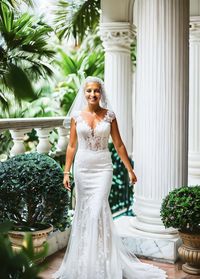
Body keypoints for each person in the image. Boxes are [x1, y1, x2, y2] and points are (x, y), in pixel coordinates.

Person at [53, 76, 167, 279]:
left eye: (96, 91)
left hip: (103, 168)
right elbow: (71, 146)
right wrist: (66, 171)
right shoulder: (77, 117)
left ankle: (103, 262)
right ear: (84, 93)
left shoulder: (110, 116)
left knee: (98, 210)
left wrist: (130, 169)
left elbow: (119, 144)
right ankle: (85, 262)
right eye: (89, 91)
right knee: (85, 212)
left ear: (101, 93)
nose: (92, 94)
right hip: (82, 169)